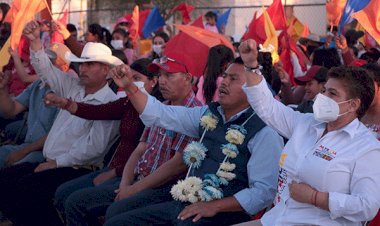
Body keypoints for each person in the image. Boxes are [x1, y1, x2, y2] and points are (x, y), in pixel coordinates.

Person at [102, 55, 284, 225]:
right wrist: (129, 87)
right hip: (186, 199)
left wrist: (214, 206)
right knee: (116, 216)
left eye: (233, 79)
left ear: (254, 88)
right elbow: (161, 114)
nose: (223, 82)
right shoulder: (208, 114)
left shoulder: (265, 131)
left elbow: (264, 191)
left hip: (223, 213)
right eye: (224, 76)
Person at [236, 39, 380, 225]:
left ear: (353, 104)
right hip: (278, 218)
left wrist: (316, 198)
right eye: (325, 90)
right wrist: (250, 65)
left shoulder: (366, 148)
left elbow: (367, 206)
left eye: (332, 94)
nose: (323, 97)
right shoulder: (306, 124)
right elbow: (268, 108)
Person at [0, 20, 122, 226]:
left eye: (90, 64)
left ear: (106, 71)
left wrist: (56, 163)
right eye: (82, 63)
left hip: (77, 167)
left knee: (26, 189)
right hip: (53, 162)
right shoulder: (74, 87)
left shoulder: (109, 103)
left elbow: (94, 148)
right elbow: (46, 72)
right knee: (5, 181)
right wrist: (35, 43)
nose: (83, 68)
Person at [58, 52, 201, 226]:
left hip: (162, 188)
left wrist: (132, 189)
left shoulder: (196, 113)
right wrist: (126, 185)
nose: (162, 81)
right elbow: (140, 149)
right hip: (135, 177)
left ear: (188, 78)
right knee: (69, 196)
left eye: (169, 75)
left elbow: (176, 167)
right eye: (160, 75)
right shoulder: (162, 106)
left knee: (103, 209)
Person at [47, 58, 160, 222]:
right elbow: (97, 111)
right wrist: (66, 103)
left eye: (137, 79)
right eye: (131, 78)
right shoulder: (128, 103)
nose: (132, 83)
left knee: (74, 201)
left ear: (153, 82)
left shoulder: (157, 110)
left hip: (131, 175)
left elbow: (144, 154)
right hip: (113, 168)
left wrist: (114, 173)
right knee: (62, 193)